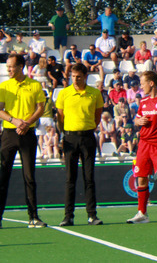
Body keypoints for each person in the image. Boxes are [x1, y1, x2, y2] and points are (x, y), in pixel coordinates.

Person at [0, 54, 48, 228]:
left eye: (11, 66)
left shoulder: (34, 85)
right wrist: (15, 121)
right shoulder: (4, 86)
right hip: (8, 134)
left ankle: (33, 217)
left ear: (21, 66)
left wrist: (26, 123)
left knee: (29, 176)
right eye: (7, 67)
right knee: (2, 176)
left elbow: (40, 108)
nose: (9, 70)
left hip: (28, 134)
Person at [54, 62, 104, 226]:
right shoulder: (64, 93)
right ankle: (68, 216)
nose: (75, 79)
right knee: (70, 179)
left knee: (89, 178)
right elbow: (60, 118)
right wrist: (65, 134)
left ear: (85, 77)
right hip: (70, 138)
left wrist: (87, 128)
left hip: (88, 137)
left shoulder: (94, 93)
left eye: (78, 77)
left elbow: (97, 117)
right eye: (73, 76)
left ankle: (92, 215)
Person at [126, 70, 157, 224]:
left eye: (142, 84)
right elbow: (137, 120)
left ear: (151, 83)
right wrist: (137, 122)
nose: (141, 87)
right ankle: (142, 213)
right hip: (143, 145)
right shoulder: (143, 102)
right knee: (141, 179)